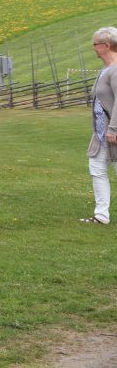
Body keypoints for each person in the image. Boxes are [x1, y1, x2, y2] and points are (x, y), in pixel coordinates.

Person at [81, 27, 117, 224]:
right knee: (96, 168)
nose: (93, 48)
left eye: (95, 44)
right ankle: (101, 216)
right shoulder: (105, 69)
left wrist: (114, 128)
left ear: (106, 46)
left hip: (113, 132)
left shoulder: (115, 69)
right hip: (101, 134)